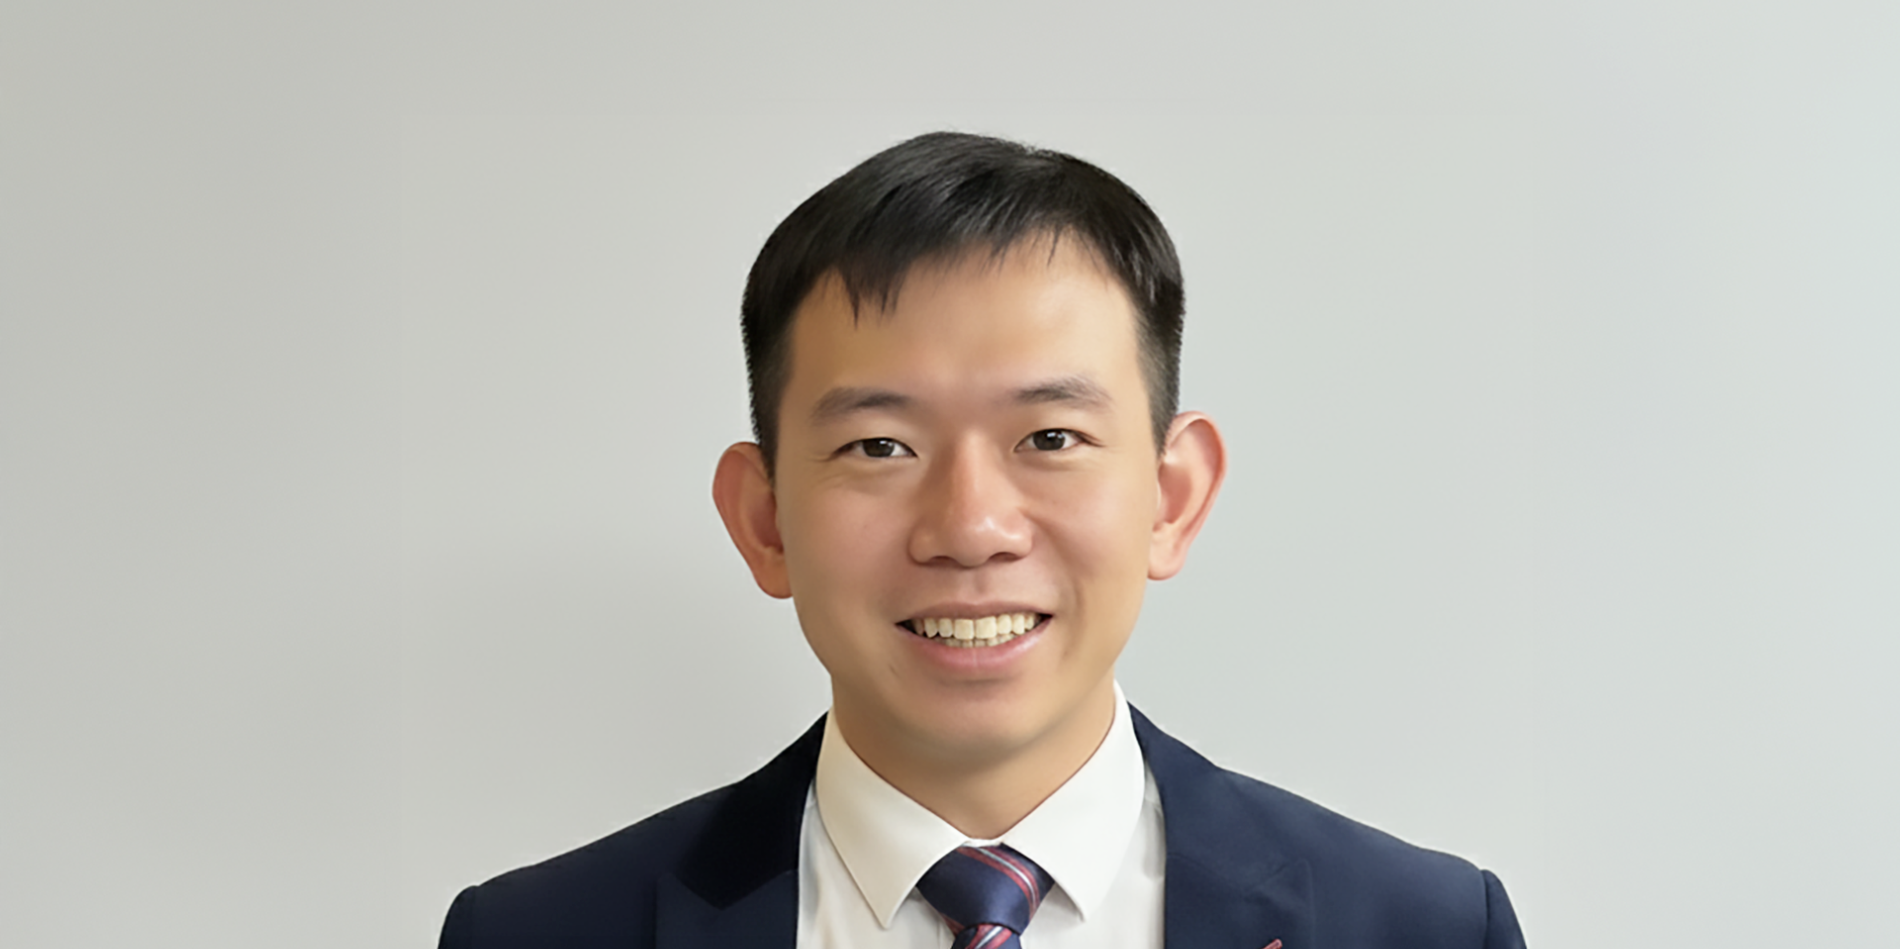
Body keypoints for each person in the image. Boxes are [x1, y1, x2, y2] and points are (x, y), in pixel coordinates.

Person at [436, 131, 1527, 949]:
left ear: (1171, 496)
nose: (969, 526)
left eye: (1048, 436)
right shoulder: (541, 932)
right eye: (878, 446)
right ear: (763, 519)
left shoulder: (1418, 927)